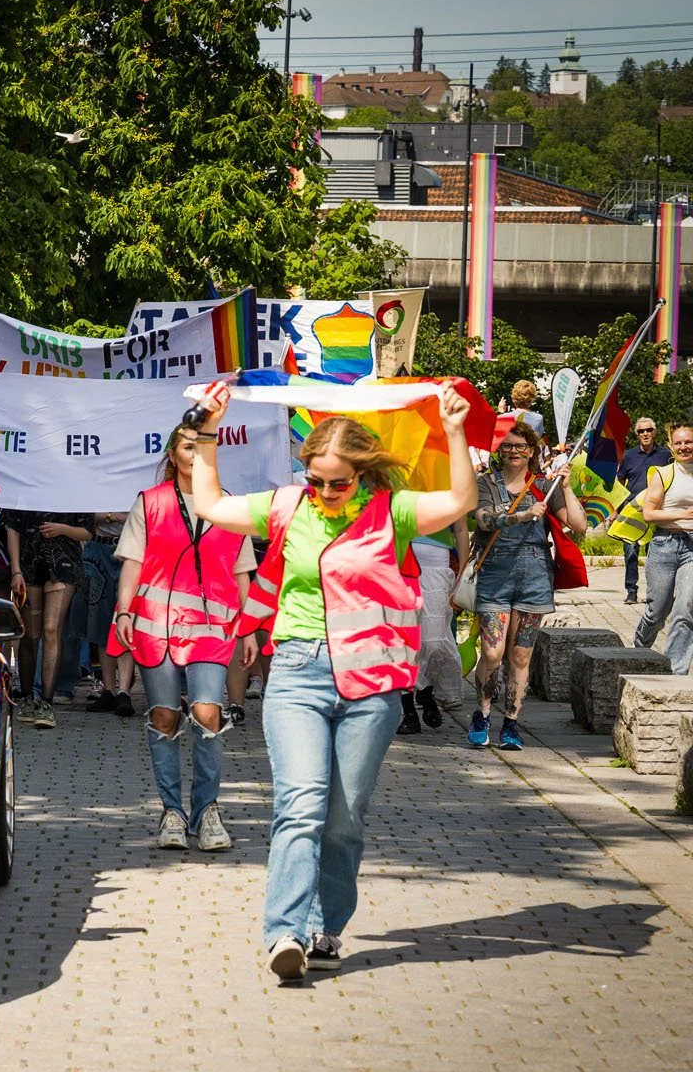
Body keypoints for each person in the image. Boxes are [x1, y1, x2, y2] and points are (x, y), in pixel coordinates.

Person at [187, 382, 476, 981]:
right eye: (314, 478)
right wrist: (209, 431)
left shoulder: (392, 512)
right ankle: (284, 934)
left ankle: (325, 924)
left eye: (337, 481)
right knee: (301, 805)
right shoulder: (289, 506)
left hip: (371, 686)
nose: (323, 491)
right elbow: (211, 504)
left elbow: (458, 499)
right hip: (296, 674)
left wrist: (452, 429)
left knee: (345, 820)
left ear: (363, 473)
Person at [112, 423, 257, 851]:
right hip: (155, 626)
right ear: (172, 456)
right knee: (164, 718)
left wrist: (249, 626)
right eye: (187, 447)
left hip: (212, 628)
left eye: (203, 447)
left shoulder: (231, 506)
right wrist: (124, 610)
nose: (196, 454)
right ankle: (172, 812)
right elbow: (132, 565)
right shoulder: (150, 502)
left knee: (208, 712)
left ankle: (207, 811)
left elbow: (241, 570)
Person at [468, 421, 585, 750]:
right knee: (493, 652)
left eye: (522, 446)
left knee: (520, 656)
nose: (515, 451)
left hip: (534, 575)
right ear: (500, 451)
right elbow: (484, 519)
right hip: (494, 574)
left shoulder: (544, 485)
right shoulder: (487, 483)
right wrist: (519, 516)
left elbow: (578, 525)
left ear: (533, 451)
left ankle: (511, 722)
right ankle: (482, 712)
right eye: (508, 446)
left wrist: (567, 486)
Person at [8, 510, 92, 728]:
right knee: (29, 634)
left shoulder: (76, 489)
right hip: (29, 565)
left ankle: (46, 702)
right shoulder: (27, 484)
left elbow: (88, 531)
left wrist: (62, 529)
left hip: (63, 566)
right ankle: (27, 697)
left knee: (51, 629)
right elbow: (13, 527)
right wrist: (16, 570)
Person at [398, 517, 469, 735]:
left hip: (436, 564)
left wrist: (463, 570)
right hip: (395, 560)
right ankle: (409, 712)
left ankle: (426, 691)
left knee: (434, 641)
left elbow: (460, 527)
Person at [634, 422, 693, 674]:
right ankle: (637, 652)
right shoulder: (663, 473)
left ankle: (674, 672)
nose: (684, 447)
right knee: (656, 612)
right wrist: (682, 514)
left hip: (691, 547)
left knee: (686, 609)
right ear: (671, 445)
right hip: (664, 545)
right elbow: (648, 513)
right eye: (679, 443)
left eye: (688, 442)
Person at [81, 512, 135, 718]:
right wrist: (117, 516)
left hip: (131, 550)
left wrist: (110, 517)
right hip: (99, 548)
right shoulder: (96, 481)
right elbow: (84, 515)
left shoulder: (138, 481)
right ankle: (110, 690)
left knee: (126, 617)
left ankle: (124, 692)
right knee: (100, 622)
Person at [616, 418, 671, 604]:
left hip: (657, 510)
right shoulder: (629, 456)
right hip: (633, 511)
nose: (645, 434)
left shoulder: (666, 454)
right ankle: (631, 591)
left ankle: (654, 593)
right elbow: (619, 482)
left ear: (654, 432)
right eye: (641, 431)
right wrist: (616, 509)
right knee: (630, 552)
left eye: (648, 430)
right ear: (636, 434)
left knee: (655, 554)